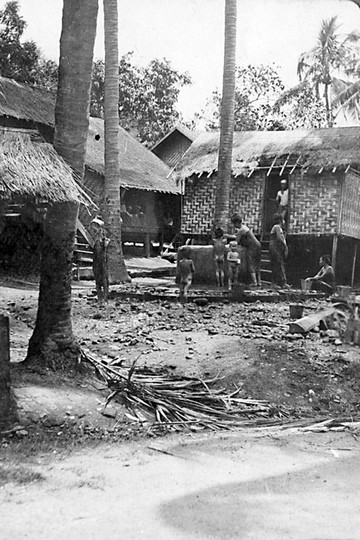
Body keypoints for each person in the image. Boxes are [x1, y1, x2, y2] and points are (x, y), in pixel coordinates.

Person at [231, 213, 262, 287]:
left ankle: (254, 282)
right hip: (258, 245)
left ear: (237, 223)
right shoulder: (244, 228)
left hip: (252, 247)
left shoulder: (241, 230)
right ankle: (259, 282)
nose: (234, 226)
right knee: (257, 264)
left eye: (234, 224)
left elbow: (236, 241)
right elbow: (237, 235)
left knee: (251, 264)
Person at [90, 218, 110, 304]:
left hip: (102, 262)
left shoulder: (103, 241)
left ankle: (104, 299)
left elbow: (102, 251)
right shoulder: (96, 240)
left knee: (104, 281)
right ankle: (100, 298)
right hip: (97, 261)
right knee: (98, 281)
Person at [269, 214, 288, 288]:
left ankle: (282, 282)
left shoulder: (280, 228)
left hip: (278, 247)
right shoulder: (276, 227)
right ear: (281, 220)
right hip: (274, 246)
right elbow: (279, 238)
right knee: (276, 263)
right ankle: (275, 283)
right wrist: (285, 246)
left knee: (280, 263)